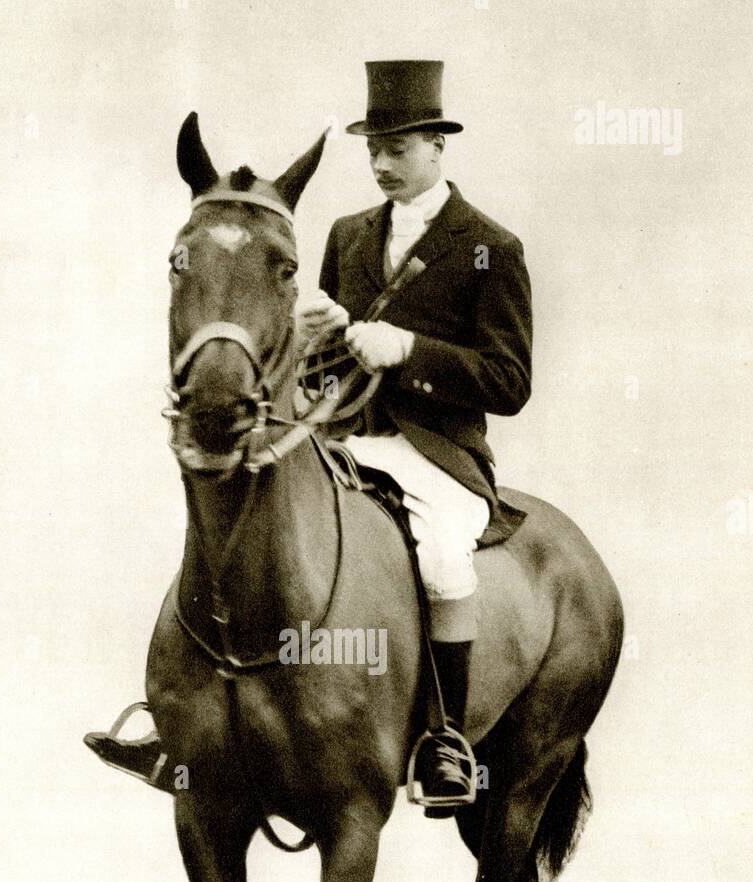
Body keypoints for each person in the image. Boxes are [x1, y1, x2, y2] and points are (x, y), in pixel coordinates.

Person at [86, 59, 532, 813]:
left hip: (436, 454)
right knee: (237, 516)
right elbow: (324, 361)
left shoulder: (489, 245)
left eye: (399, 147)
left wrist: (406, 350)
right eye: (373, 150)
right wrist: (326, 339)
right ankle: (181, 725)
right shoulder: (348, 234)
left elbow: (508, 381)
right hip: (340, 437)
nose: (383, 164)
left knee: (441, 560)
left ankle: (444, 740)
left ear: (438, 146)